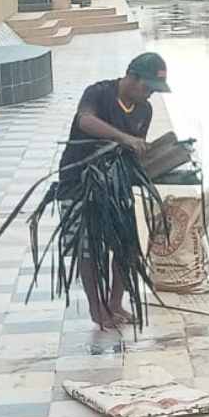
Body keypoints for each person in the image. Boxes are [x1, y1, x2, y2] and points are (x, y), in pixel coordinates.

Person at [57, 53, 171, 327]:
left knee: (127, 245)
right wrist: (123, 137)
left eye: (154, 92)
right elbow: (85, 121)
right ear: (131, 78)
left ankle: (114, 303)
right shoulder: (98, 93)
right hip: (78, 182)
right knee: (89, 249)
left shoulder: (145, 111)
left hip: (115, 185)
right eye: (147, 88)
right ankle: (97, 310)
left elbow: (137, 150)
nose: (149, 96)